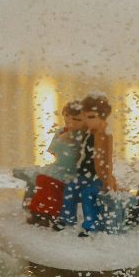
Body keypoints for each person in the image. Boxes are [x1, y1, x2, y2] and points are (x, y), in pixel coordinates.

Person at [58, 93, 115, 235]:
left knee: (87, 194)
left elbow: (107, 161)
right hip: (85, 175)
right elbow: (75, 135)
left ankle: (91, 225)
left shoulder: (105, 136)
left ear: (102, 116)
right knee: (70, 188)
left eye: (91, 117)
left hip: (98, 178)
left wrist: (108, 182)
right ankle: (67, 220)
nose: (87, 121)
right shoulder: (89, 132)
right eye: (85, 117)